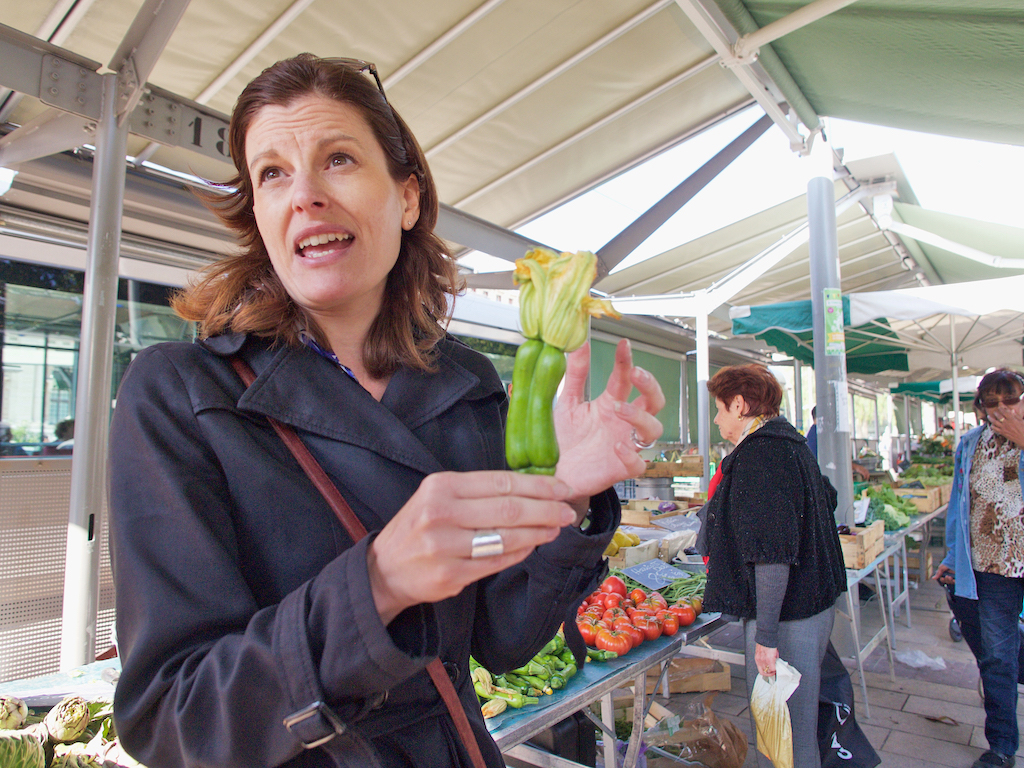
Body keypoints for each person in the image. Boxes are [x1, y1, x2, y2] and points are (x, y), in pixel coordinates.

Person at [108, 54, 665, 768]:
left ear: (406, 198)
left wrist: (566, 493)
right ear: (257, 211)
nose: (303, 194)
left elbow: (499, 638)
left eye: (337, 158)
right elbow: (172, 716)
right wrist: (377, 583)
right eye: (272, 173)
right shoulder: (182, 394)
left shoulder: (463, 382)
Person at [702, 364, 846, 768]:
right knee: (793, 728)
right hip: (811, 605)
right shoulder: (790, 441)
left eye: (720, 409)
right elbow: (826, 498)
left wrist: (766, 636)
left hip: (788, 614)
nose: (717, 419)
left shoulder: (761, 453)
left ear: (739, 404)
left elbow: (772, 554)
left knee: (781, 738)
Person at [935, 368, 1024, 768]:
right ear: (981, 408)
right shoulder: (970, 445)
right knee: (996, 658)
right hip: (991, 571)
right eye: (993, 401)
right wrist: (953, 558)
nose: (1003, 408)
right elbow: (959, 508)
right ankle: (1002, 745)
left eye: (1012, 398)